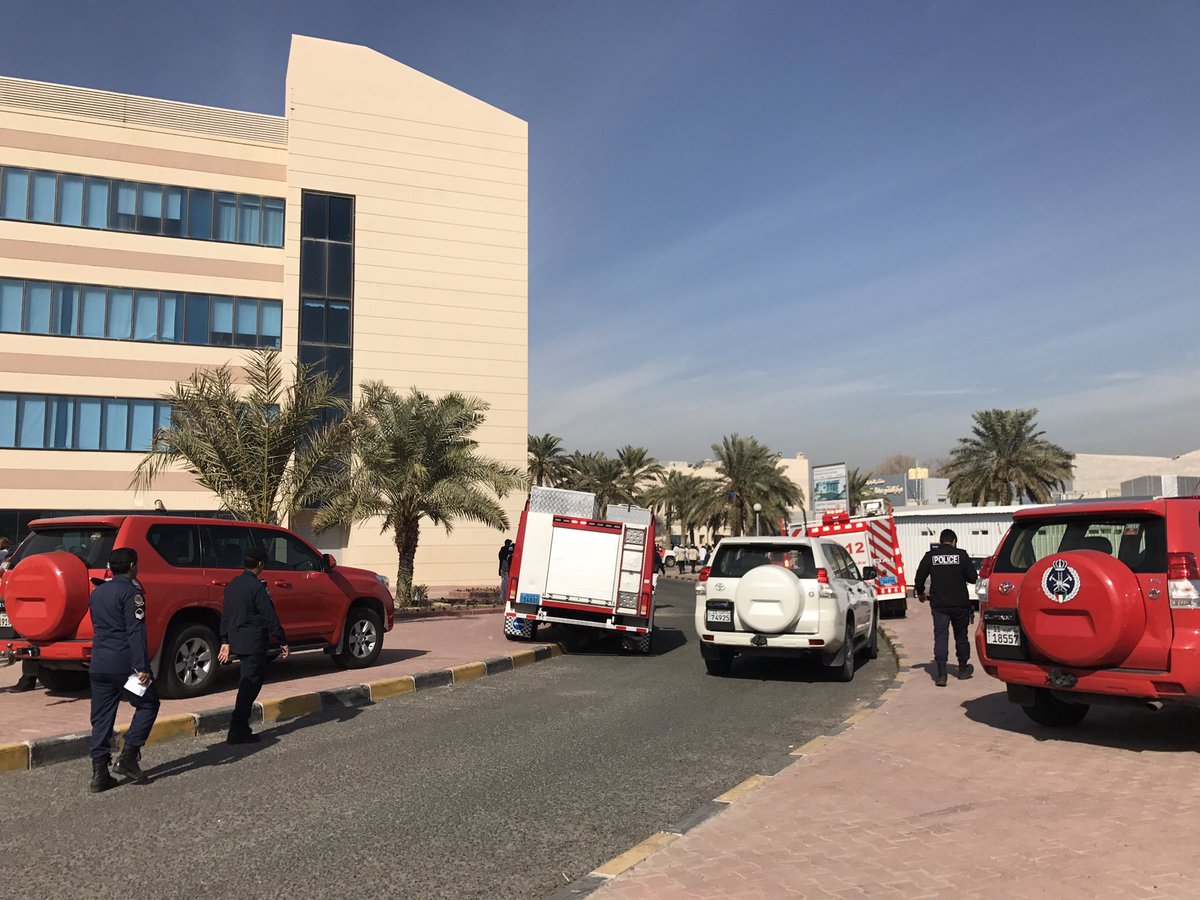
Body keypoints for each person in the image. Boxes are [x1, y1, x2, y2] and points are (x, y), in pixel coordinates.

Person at [87, 547, 159, 792]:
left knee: (101, 717)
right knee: (149, 703)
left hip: (99, 663)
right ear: (132, 566)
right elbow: (135, 630)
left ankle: (99, 773)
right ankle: (128, 756)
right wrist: (142, 666)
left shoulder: (98, 592)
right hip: (125, 665)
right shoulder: (132, 593)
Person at [218, 548, 288, 744]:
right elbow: (268, 614)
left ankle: (240, 726)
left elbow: (226, 615)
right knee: (249, 684)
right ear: (260, 564)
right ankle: (237, 729)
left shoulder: (232, 585)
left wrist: (224, 640)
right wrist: (282, 639)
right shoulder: (257, 587)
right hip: (253, 641)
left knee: (248, 682)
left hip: (237, 639)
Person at [914, 529, 979, 687]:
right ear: (954, 541)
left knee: (941, 637)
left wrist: (921, 593)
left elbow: (919, 578)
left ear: (940, 541)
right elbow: (973, 578)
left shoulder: (931, 556)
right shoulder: (961, 555)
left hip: (939, 605)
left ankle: (942, 674)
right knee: (961, 636)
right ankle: (962, 669)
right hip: (960, 604)